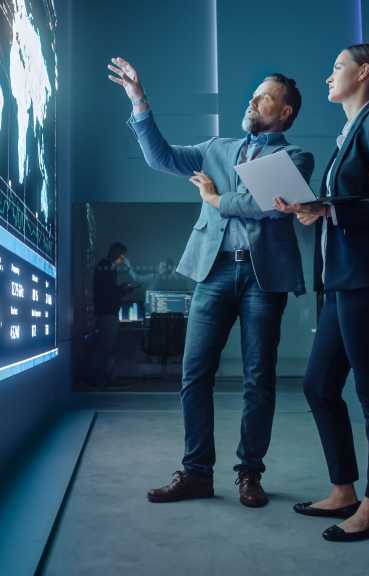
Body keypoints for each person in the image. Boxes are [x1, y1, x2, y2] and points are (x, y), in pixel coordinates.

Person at [108, 57, 313, 508]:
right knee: (193, 373)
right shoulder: (216, 148)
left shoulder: (296, 157)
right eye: (253, 93)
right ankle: (197, 472)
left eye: (264, 97)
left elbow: (263, 204)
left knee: (259, 379)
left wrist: (216, 199)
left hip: (264, 279)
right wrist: (139, 100)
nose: (252, 100)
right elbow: (160, 158)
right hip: (213, 270)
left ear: (285, 113)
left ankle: (249, 474)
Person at [276, 43, 369, 541]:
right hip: (341, 280)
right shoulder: (352, 131)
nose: (327, 76)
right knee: (318, 385)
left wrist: (331, 208)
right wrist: (317, 208)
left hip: (368, 281)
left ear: (364, 72)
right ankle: (343, 490)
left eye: (336, 67)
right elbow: (352, 202)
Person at [93, 242, 137, 388]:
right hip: (107, 314)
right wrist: (123, 290)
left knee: (107, 347)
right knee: (107, 348)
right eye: (122, 256)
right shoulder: (106, 267)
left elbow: (109, 291)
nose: (122, 259)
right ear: (116, 253)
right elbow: (108, 292)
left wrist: (121, 289)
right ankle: (103, 379)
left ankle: (106, 378)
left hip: (107, 313)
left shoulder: (107, 268)